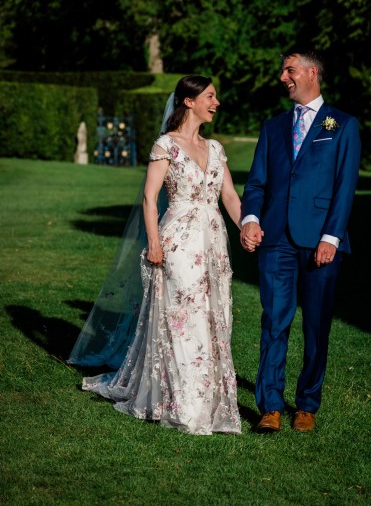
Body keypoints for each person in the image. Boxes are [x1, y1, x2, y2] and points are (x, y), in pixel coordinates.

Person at [69, 75, 242, 436]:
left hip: (213, 244)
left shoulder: (216, 148)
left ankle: (209, 402)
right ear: (189, 101)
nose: (216, 102)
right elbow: (150, 198)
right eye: (210, 96)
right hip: (178, 242)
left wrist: (247, 227)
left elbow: (229, 197)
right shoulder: (166, 145)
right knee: (183, 318)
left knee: (215, 317)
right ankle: (182, 404)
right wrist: (154, 243)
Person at [240, 48, 361, 433]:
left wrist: (331, 235)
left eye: (289, 70)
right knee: (273, 322)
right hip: (275, 240)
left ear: (311, 73)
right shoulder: (273, 127)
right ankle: (270, 406)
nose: (283, 77)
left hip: (320, 243)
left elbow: (345, 188)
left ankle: (307, 403)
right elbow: (257, 182)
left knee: (316, 326)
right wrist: (251, 218)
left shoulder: (342, 125)